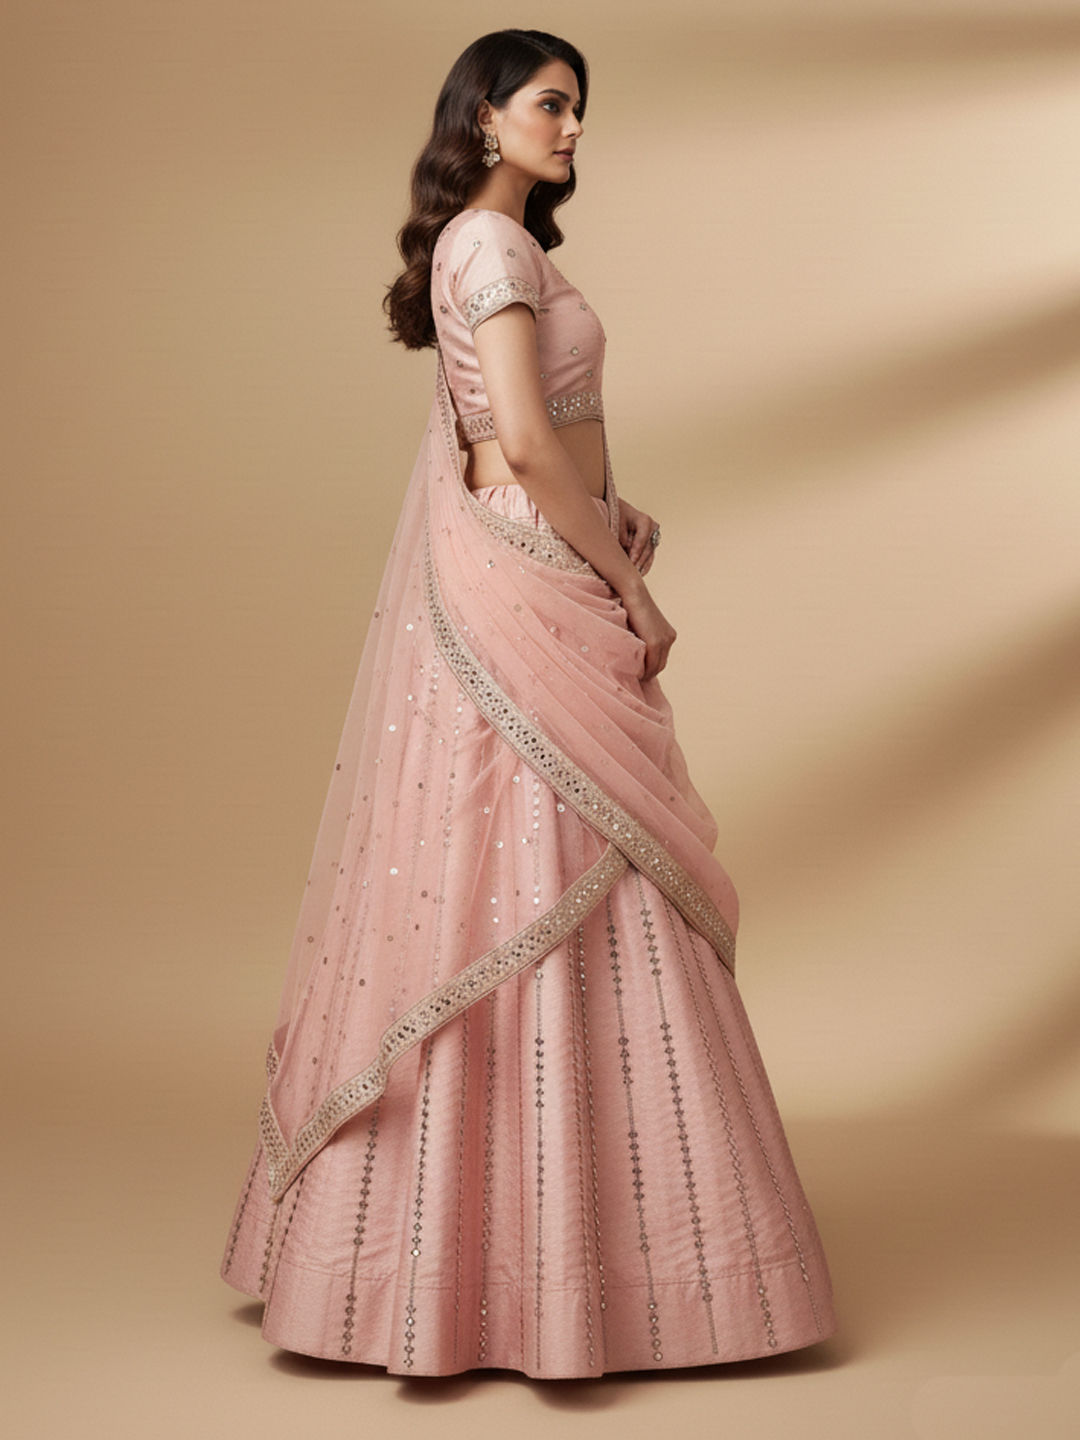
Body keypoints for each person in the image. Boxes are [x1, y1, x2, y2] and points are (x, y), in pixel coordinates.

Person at [219, 28, 839, 1379]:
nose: (572, 128)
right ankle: (537, 1273)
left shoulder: (491, 244)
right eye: (551, 104)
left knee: (534, 867)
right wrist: (627, 580)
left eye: (579, 107)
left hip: (532, 544)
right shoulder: (492, 244)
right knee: (549, 866)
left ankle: (528, 1259)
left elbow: (517, 434)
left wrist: (612, 510)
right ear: (485, 117)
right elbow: (520, 438)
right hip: (535, 568)